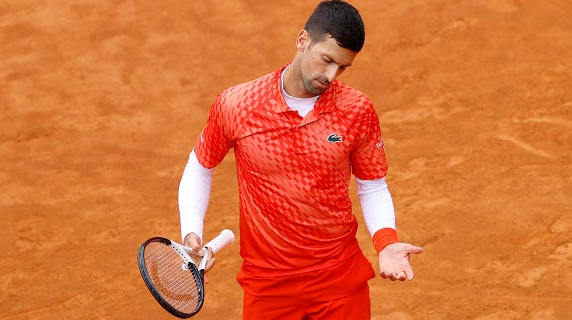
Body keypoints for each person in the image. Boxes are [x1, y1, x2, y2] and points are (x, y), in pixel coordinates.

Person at [178, 1, 423, 319]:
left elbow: (372, 183)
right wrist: (191, 234)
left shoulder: (356, 110)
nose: (331, 75)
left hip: (339, 283)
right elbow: (201, 165)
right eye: (327, 61)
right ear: (303, 40)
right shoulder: (237, 105)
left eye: (343, 68)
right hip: (269, 288)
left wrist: (386, 241)